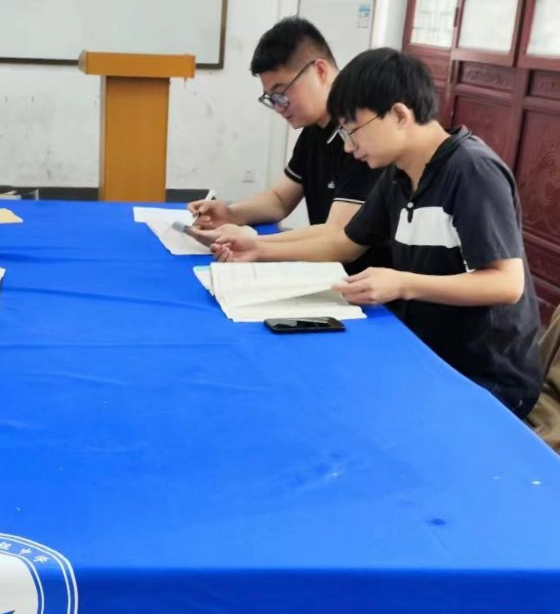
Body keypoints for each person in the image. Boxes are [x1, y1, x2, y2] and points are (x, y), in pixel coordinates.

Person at [211, 48, 541, 418]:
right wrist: (258, 248)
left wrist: (402, 284)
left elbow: (505, 284)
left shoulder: (471, 171)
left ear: (399, 115)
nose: (349, 147)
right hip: (425, 351)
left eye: (353, 130)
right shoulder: (397, 176)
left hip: (485, 376)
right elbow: (345, 241)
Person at [186, 17, 388, 274]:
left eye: (281, 92)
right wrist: (230, 213)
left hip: (365, 283)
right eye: (271, 98)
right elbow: (280, 199)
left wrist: (255, 245)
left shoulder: (364, 136)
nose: (279, 106)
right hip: (330, 272)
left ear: (320, 71)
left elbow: (341, 237)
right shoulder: (315, 129)